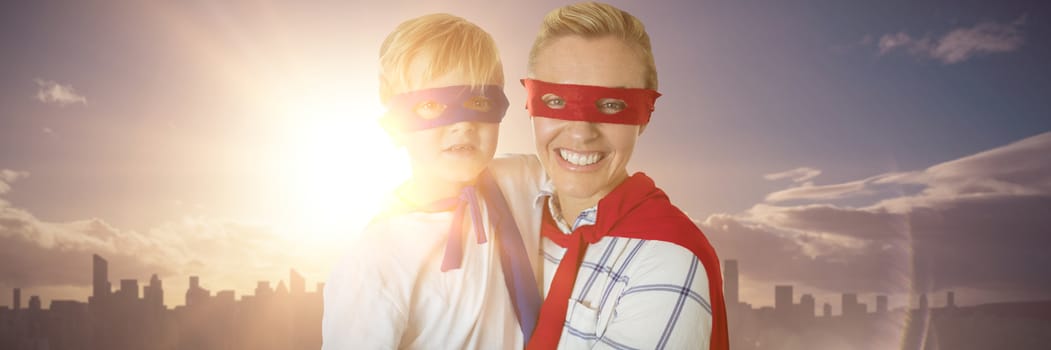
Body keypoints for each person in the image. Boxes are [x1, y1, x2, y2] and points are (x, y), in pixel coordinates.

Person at [321, 13, 541, 349]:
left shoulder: (524, 181)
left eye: (479, 101)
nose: (463, 124)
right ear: (395, 125)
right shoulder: (375, 262)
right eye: (430, 105)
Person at [519, 2, 729, 349]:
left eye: (612, 105)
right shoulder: (506, 209)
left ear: (644, 116)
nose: (581, 133)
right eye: (555, 101)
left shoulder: (668, 261)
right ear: (529, 104)